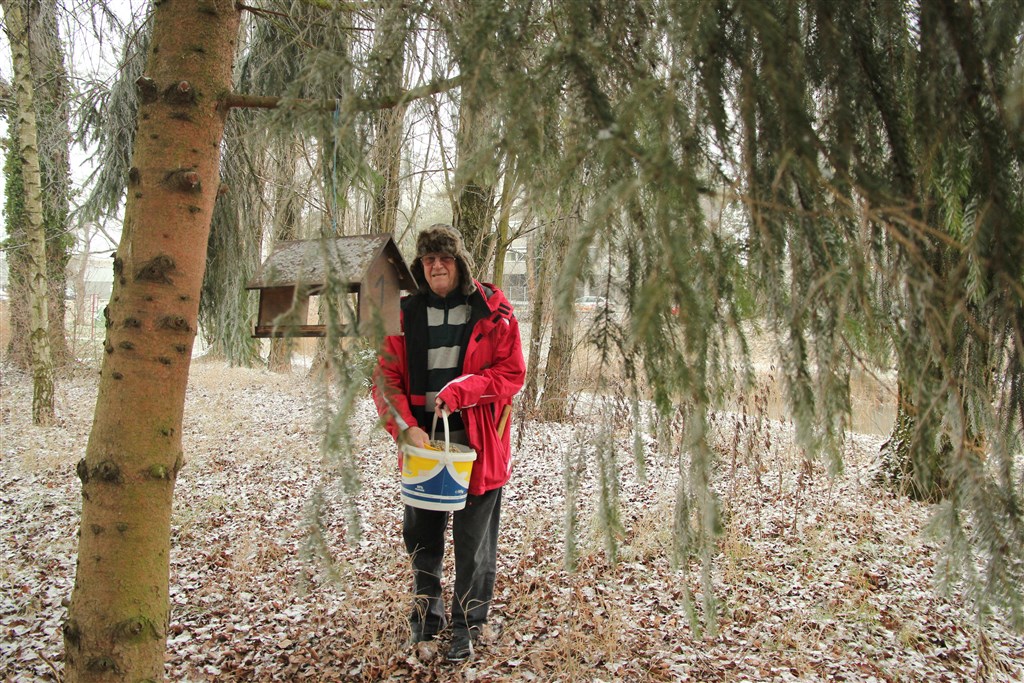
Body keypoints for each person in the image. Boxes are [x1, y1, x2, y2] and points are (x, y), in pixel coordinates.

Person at [372, 223, 526, 661]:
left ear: (460, 263)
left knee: (474, 542)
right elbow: (384, 378)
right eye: (428, 259)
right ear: (420, 267)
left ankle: (467, 625)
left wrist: (463, 389)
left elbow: (511, 374)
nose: (436, 265)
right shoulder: (404, 313)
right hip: (424, 449)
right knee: (420, 534)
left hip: (479, 449)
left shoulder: (494, 310)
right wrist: (404, 427)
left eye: (445, 258)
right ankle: (427, 616)